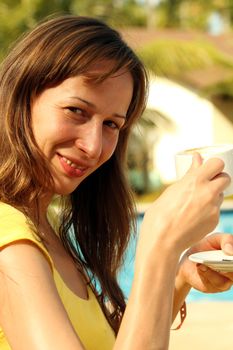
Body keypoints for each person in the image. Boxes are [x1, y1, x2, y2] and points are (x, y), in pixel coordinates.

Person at [0, 15, 233, 350]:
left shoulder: (40, 227)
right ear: (22, 99)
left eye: (112, 124)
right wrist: (160, 246)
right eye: (76, 111)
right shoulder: (8, 238)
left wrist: (176, 276)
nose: (93, 146)